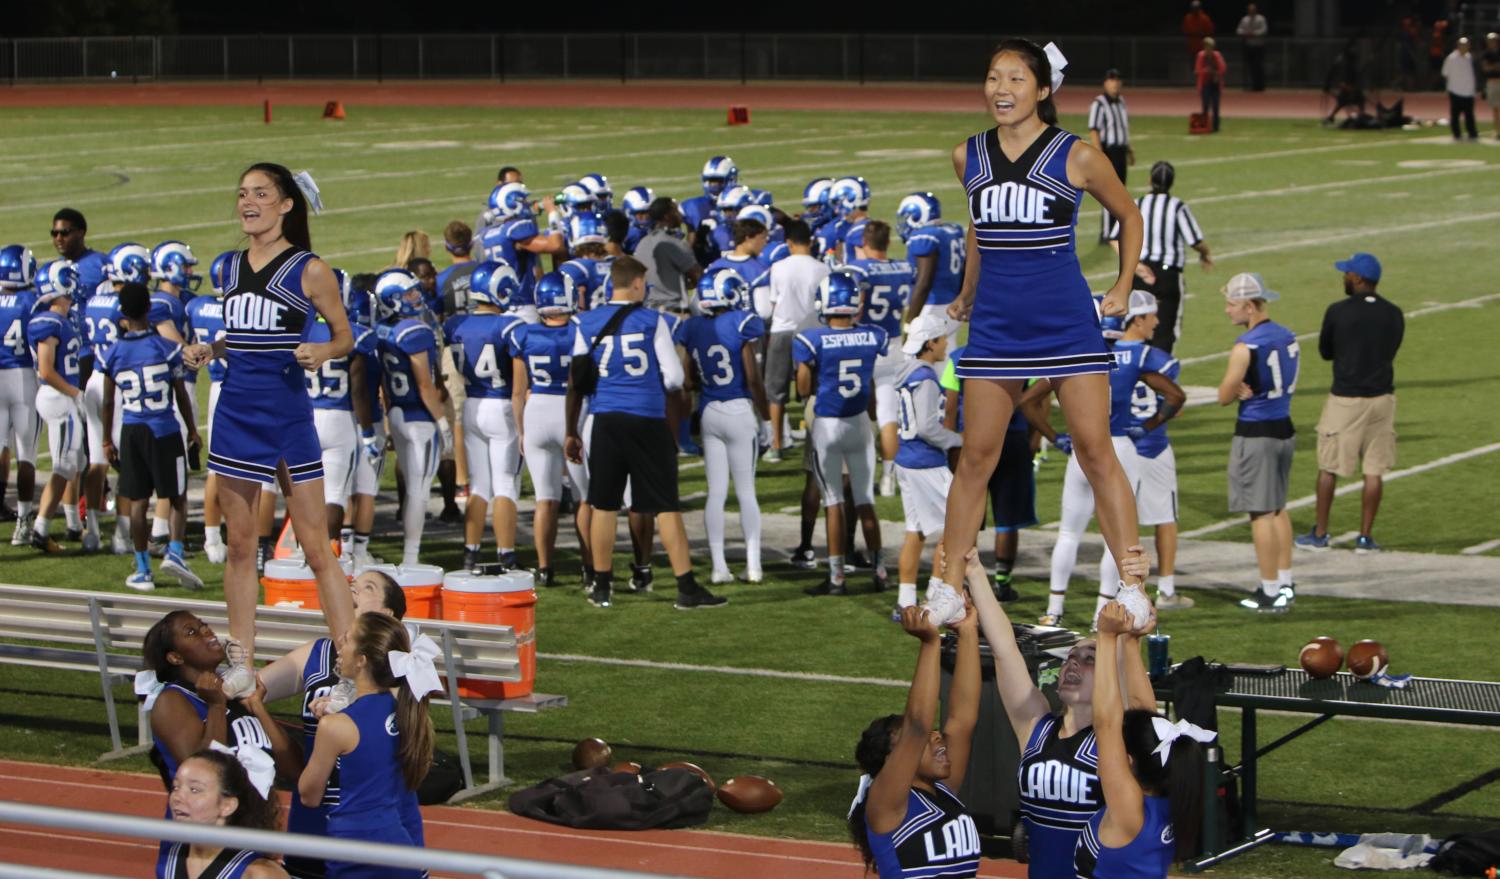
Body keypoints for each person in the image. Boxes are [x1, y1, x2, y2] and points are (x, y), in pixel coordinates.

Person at [941, 38, 1149, 601]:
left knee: (1094, 450)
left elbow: (1129, 215)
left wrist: (1124, 283)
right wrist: (967, 292)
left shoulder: (1076, 154)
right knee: (975, 457)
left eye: (1015, 79)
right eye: (993, 77)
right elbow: (980, 226)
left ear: (1042, 89)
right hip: (997, 328)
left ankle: (1131, 583)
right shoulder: (968, 155)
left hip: (1064, 323)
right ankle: (946, 583)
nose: (1001, 90)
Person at [181, 163, 356, 699]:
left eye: (261, 193)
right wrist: (211, 350)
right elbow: (241, 333)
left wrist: (322, 350)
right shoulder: (229, 267)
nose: (248, 202)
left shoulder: (310, 269)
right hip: (234, 409)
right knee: (239, 545)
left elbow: (345, 335)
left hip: (285, 413)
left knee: (315, 546)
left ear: (286, 204)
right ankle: (240, 659)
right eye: (242, 193)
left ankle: (352, 665)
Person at [966, 545, 1152, 879]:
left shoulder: (1120, 740)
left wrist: (1136, 587)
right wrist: (975, 570)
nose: (1073, 664)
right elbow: (1005, 649)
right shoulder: (1035, 726)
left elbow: (1140, 697)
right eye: (1070, 658)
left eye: (1089, 658)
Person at [564, 256, 725, 610]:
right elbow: (674, 378)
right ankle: (685, 587)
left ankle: (602, 586)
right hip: (647, 419)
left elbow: (577, 381)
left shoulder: (585, 322)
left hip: (604, 419)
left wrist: (571, 431)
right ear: (637, 283)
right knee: (665, 506)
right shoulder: (653, 321)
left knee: (603, 504)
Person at [259, 570, 412, 879]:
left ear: (385, 614)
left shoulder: (397, 667)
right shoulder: (317, 653)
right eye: (352, 584)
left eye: (367, 588)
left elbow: (397, 707)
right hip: (313, 817)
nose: (353, 589)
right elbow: (255, 688)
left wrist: (347, 702)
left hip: (370, 816)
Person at [848, 554, 980, 879]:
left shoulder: (944, 789)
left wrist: (967, 632)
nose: (936, 736)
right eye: (911, 741)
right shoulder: (886, 802)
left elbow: (963, 719)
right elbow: (918, 726)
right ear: (894, 757)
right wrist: (930, 643)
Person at [1077, 603, 1211, 879]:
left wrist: (1105, 637)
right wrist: (1129, 643)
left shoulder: (1129, 808)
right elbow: (1143, 713)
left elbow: (1106, 723)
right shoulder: (1166, 799)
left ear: (1128, 762)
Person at [298, 612, 433, 879]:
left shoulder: (335, 727)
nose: (340, 643)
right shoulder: (407, 710)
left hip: (355, 846)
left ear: (361, 660)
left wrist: (326, 732)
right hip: (400, 841)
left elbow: (308, 795)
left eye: (347, 640)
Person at [1296, 253, 1403, 554]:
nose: (1343, 277)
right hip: (1383, 398)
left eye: (1347, 273)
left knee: (1328, 466)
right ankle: (1366, 538)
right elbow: (1393, 348)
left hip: (1346, 398)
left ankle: (1320, 533)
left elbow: (1326, 351)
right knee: (1374, 470)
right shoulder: (1393, 312)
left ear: (1357, 278)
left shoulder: (1338, 311)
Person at [101, 283, 204, 591]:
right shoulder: (166, 348)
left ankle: (143, 567)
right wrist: (193, 429)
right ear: (149, 309)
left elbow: (108, 402)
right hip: (165, 429)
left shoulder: (114, 353)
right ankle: (174, 550)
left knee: (137, 500)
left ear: (122, 313)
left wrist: (107, 439)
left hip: (132, 430)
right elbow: (181, 395)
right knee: (176, 495)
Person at [796, 270, 890, 596]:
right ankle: (879, 571)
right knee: (865, 500)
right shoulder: (872, 336)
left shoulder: (812, 339)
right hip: (860, 421)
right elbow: (873, 387)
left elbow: (803, 387)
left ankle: (837, 577)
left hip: (828, 424)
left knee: (833, 502)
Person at [138, 611, 300, 793]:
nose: (206, 631)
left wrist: (258, 707)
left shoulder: (235, 694)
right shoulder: (173, 701)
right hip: (206, 819)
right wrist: (216, 707)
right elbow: (201, 775)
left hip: (253, 817)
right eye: (191, 632)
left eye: (204, 626)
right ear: (176, 657)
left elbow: (293, 771)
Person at [675, 271, 769, 584]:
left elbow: (687, 379)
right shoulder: (740, 323)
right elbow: (753, 378)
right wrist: (767, 419)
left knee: (715, 493)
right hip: (739, 410)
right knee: (746, 492)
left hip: (709, 412)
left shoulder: (692, 327)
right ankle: (753, 565)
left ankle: (718, 567)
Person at [1216, 272, 1298, 613]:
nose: (1226, 310)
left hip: (1257, 431)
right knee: (1278, 507)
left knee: (1261, 513)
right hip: (1284, 426)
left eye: (1232, 304)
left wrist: (1236, 390)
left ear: (1250, 306)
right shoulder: (1287, 335)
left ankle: (1268, 590)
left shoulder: (1245, 346)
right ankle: (1286, 581)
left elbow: (1223, 395)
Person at [1112, 293, 1191, 611]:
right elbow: (1176, 405)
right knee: (1164, 519)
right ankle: (1167, 589)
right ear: (1138, 319)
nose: (1157, 322)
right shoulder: (1156, 359)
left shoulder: (1103, 353)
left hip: (1116, 448)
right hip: (1152, 446)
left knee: (1113, 522)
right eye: (1152, 316)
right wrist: (1148, 425)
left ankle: (1115, 589)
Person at [445, 260, 524, 572]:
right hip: (502, 405)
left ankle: (471, 552)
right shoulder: (509, 326)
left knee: (479, 486)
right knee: (505, 485)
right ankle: (507, 555)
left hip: (472, 405)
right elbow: (518, 387)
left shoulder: (455, 324)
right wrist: (522, 425)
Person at [940, 343, 1036, 602]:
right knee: (1007, 517)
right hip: (1012, 438)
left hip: (972, 439)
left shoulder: (959, 357)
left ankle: (962, 580)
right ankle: (1002, 582)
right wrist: (1036, 436)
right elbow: (1038, 397)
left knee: (968, 514)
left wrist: (951, 444)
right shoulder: (1024, 351)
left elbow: (950, 406)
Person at [513, 272, 589, 587]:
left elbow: (518, 392)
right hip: (573, 412)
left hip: (537, 413)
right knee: (585, 497)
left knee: (546, 498)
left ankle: (545, 568)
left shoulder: (525, 334)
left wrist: (520, 431)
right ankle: (591, 566)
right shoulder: (581, 332)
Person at [373, 268, 452, 567]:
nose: (416, 296)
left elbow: (382, 382)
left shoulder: (381, 330)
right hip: (419, 416)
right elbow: (424, 384)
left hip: (396, 412)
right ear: (393, 299)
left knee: (412, 488)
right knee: (419, 491)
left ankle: (409, 553)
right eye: (408, 293)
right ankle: (411, 556)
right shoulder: (415, 332)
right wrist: (442, 422)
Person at [891, 315, 963, 615]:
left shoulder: (906, 371)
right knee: (958, 527)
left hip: (906, 459)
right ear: (929, 343)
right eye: (941, 339)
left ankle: (905, 601)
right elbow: (927, 428)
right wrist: (957, 439)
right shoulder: (925, 376)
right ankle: (937, 595)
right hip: (925, 462)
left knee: (915, 531)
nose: (946, 343)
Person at [304, 272, 378, 559]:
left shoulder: (302, 331)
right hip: (339, 419)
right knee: (334, 493)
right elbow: (359, 390)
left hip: (306, 416)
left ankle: (303, 551)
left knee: (306, 492)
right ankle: (325, 555)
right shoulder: (354, 334)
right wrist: (369, 433)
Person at [86, 244, 151, 556]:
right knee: (129, 462)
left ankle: (92, 530)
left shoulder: (95, 298)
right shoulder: (124, 305)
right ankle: (122, 534)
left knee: (97, 461)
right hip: (119, 381)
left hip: (94, 380)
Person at [1109, 161, 1212, 354]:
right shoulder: (1177, 207)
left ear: (1150, 180)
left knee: (1133, 328)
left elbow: (1114, 239)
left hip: (1140, 274)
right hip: (1168, 275)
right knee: (1165, 333)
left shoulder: (1137, 204)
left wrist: (1137, 266)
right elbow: (1195, 240)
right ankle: (1160, 376)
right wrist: (1205, 253)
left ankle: (1134, 376)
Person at [844, 221, 912, 497]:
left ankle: (861, 474)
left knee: (857, 410)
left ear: (865, 241)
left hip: (865, 342)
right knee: (887, 413)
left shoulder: (859, 269)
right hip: (893, 342)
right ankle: (889, 477)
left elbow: (854, 308)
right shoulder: (905, 267)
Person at [158, 747, 289, 879]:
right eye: (176, 787)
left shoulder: (259, 874)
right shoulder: (170, 860)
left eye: (194, 790)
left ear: (227, 806)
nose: (177, 797)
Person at [22, 258, 78, 554]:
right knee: (64, 464)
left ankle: (75, 526)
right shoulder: (49, 321)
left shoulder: (59, 319)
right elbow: (46, 370)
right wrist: (75, 394)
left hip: (59, 396)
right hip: (57, 396)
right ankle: (41, 529)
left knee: (73, 462)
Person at [762, 219, 828, 462]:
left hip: (782, 330)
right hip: (812, 333)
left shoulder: (778, 267)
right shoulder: (822, 268)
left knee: (776, 392)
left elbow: (772, 304)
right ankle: (815, 440)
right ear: (810, 241)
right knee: (811, 392)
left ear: (788, 243)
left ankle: (776, 444)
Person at [188, 252, 233, 564]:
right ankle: (214, 538)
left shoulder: (196, 306)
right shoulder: (238, 309)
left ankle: (213, 536)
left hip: (217, 389)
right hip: (236, 388)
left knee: (218, 467)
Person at [0, 247, 39, 548]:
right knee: (26, 454)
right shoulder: (31, 300)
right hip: (24, 376)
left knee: (0, 447)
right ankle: (24, 522)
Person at [897, 193, 966, 330]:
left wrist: (909, 322)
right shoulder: (952, 230)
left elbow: (924, 283)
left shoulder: (925, 236)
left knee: (913, 350)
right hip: (953, 305)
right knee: (947, 349)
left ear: (917, 216)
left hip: (932, 307)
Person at [1087, 70, 1134, 243]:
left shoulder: (1121, 101)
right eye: (1111, 80)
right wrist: (1099, 155)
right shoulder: (1099, 104)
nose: (1114, 84)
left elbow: (1123, 128)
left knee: (1120, 193)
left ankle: (1115, 231)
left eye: (1117, 80)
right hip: (1109, 152)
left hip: (1120, 152)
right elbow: (1094, 130)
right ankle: (1106, 233)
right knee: (1108, 193)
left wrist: (1129, 150)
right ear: (1105, 83)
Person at [634, 198, 702, 315]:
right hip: (674, 313)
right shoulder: (674, 243)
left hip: (647, 313)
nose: (680, 215)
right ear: (667, 216)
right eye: (675, 210)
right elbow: (698, 277)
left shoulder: (642, 244)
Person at [682, 156, 737, 255]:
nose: (713, 186)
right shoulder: (693, 206)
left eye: (718, 181)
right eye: (710, 181)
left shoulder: (742, 201)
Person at [1442, 37, 1480, 141]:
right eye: (1462, 45)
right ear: (1458, 46)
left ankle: (1472, 133)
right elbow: (1445, 74)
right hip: (1455, 90)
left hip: (1468, 91)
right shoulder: (1451, 58)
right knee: (1455, 114)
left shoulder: (1470, 57)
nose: (1464, 47)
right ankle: (1457, 134)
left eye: (1466, 45)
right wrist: (1448, 88)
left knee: (1469, 114)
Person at [1196, 37, 1228, 132]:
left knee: (1216, 106)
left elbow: (1223, 69)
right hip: (1205, 83)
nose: (1209, 49)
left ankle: (1216, 127)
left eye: (1210, 47)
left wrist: (1214, 71)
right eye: (1207, 47)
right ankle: (1204, 126)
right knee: (1205, 105)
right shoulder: (1201, 55)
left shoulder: (1217, 55)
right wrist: (1206, 71)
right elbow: (1198, 70)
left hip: (1215, 84)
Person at [1237, 3, 1269, 91]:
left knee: (1259, 66)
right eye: (1250, 10)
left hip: (1259, 46)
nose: (1251, 11)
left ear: (1256, 10)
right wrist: (1245, 34)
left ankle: (1261, 86)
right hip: (1249, 46)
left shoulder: (1261, 18)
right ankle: (1250, 85)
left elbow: (1264, 30)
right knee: (1250, 66)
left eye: (1253, 9)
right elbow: (1239, 30)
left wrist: (1254, 34)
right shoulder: (1245, 19)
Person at [1484, 34, 1500, 140]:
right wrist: (1496, 66)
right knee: (1495, 108)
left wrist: (1492, 67)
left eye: (1494, 40)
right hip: (1492, 83)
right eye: (1490, 40)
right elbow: (1485, 68)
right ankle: (1498, 131)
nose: (1492, 42)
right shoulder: (1486, 54)